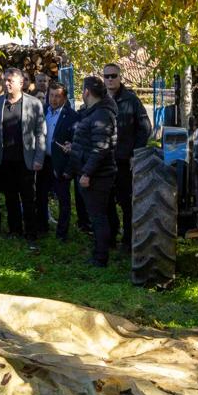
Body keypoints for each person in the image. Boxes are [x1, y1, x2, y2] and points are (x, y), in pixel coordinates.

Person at [0, 67, 46, 248]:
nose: (6, 84)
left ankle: (31, 232)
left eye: (10, 81)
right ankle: (15, 230)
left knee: (28, 197)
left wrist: (39, 157)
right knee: (10, 196)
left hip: (26, 159)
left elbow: (40, 132)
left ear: (21, 83)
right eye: (5, 80)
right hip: (4, 159)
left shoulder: (33, 103)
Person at [103, 62, 152, 250]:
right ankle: (111, 235)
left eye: (113, 76)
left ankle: (128, 239)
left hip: (124, 161)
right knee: (107, 200)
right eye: (106, 76)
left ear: (120, 76)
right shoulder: (102, 100)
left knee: (126, 202)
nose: (110, 80)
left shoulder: (131, 100)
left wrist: (135, 153)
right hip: (105, 159)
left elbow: (145, 127)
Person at [72, 76, 118, 267]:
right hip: (98, 172)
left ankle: (100, 258)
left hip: (98, 175)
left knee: (98, 217)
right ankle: (105, 249)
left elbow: (100, 148)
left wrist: (87, 173)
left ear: (86, 92)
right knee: (104, 214)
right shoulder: (96, 113)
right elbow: (93, 143)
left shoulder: (101, 115)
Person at [41, 81, 79, 240]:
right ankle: (42, 226)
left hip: (60, 162)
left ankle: (62, 233)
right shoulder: (43, 111)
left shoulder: (72, 116)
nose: (54, 99)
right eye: (51, 95)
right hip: (43, 161)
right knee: (41, 195)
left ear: (64, 97)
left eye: (57, 96)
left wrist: (69, 166)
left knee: (63, 199)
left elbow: (76, 142)